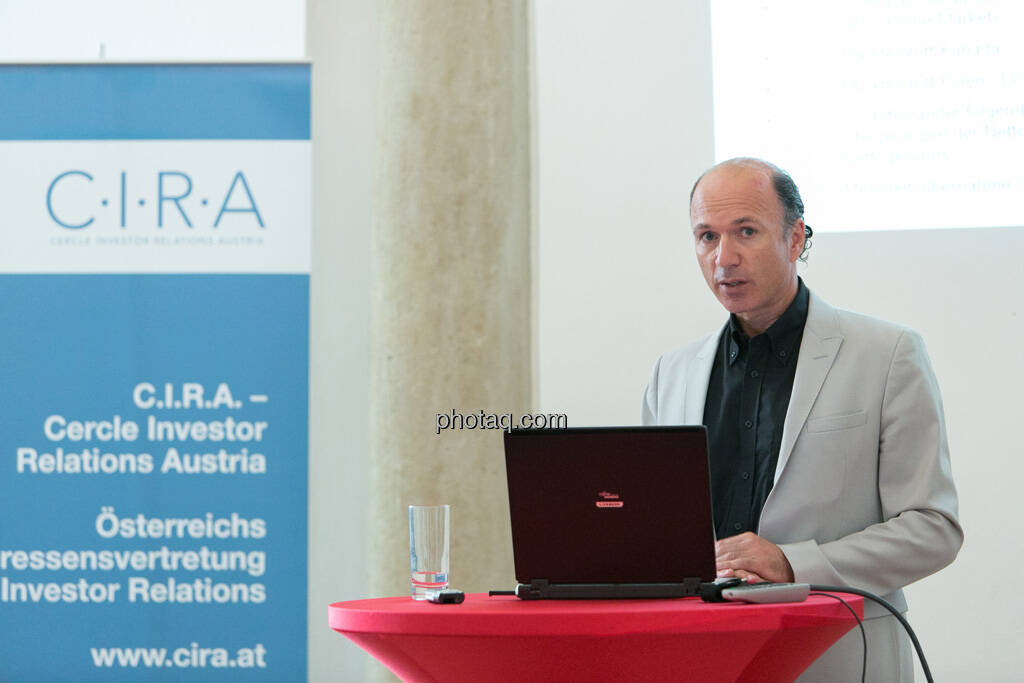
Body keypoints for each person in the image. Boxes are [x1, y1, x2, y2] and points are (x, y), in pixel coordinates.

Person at [641, 158, 962, 682]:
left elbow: (933, 530)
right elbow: (659, 531)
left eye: (746, 231)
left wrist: (791, 564)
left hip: (839, 655)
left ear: (795, 240)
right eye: (706, 236)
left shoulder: (888, 354)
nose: (724, 258)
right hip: (699, 658)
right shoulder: (671, 374)